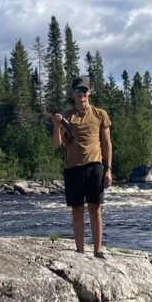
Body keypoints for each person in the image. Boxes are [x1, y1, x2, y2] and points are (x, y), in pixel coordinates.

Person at [51, 76, 113, 258]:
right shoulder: (66, 117)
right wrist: (56, 126)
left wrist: (108, 169)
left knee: (95, 208)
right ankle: (80, 251)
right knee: (77, 209)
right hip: (73, 169)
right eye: (78, 91)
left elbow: (107, 143)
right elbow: (56, 145)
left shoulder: (100, 114)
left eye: (84, 91)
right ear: (73, 93)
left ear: (89, 92)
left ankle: (98, 250)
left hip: (95, 166)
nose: (81, 94)